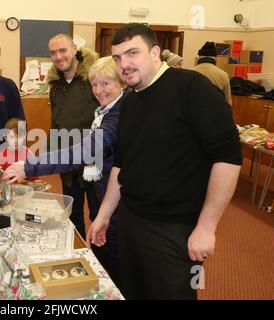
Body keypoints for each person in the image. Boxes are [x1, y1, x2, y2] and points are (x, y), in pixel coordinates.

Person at [87, 24, 242, 300]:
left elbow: (228, 159)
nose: (124, 64)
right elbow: (122, 166)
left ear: (156, 52)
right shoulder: (130, 102)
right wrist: (104, 215)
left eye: (132, 53)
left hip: (176, 230)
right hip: (131, 222)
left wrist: (207, 227)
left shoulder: (192, 88)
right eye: (118, 57)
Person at [4, 56, 131, 283]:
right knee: (103, 247)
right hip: (108, 195)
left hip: (121, 203)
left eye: (106, 83)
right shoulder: (106, 110)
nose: (99, 90)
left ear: (121, 83)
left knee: (117, 261)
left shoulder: (119, 115)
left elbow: (86, 151)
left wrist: (29, 166)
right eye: (94, 84)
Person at [45, 34, 100, 239]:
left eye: (63, 50)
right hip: (68, 164)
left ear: (74, 48)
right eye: (53, 52)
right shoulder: (55, 86)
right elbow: (56, 124)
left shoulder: (94, 77)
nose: (58, 56)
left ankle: (104, 264)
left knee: (100, 215)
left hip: (96, 162)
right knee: (73, 217)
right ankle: (80, 259)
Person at [192, 41, 233, 106]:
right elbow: (228, 101)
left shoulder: (190, 72)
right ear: (215, 59)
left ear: (199, 57)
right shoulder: (223, 74)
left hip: (193, 108)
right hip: (215, 108)